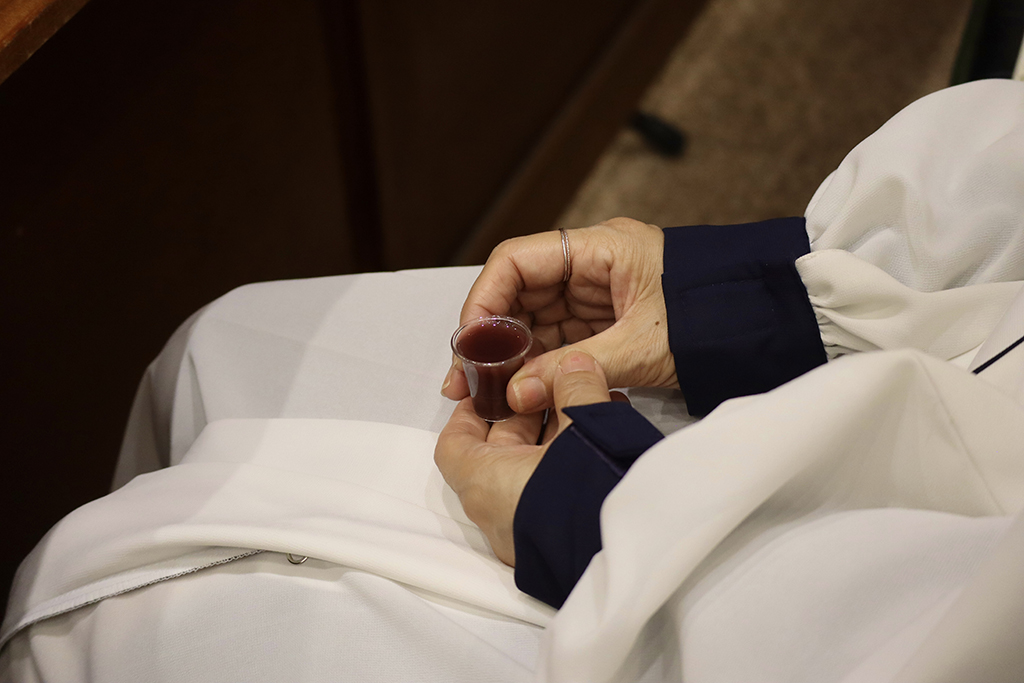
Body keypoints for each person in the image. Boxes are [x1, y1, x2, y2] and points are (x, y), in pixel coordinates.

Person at [3, 79, 1024, 683]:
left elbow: (903, 631)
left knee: (81, 608)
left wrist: (594, 510)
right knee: (218, 346)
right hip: (929, 360)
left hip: (758, 607)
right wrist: (743, 299)